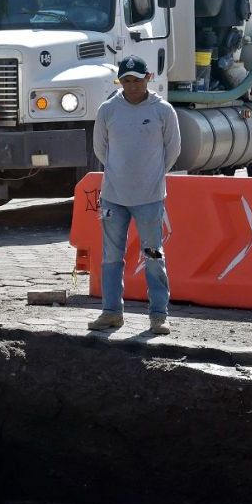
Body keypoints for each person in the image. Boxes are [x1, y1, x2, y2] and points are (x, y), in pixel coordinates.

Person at [88, 55, 181, 335]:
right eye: (126, 81)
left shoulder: (163, 111)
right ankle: (111, 312)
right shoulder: (108, 110)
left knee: (153, 255)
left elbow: (172, 150)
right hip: (113, 198)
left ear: (148, 78)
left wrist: (151, 176)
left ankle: (158, 314)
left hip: (150, 198)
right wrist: (120, 174)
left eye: (137, 80)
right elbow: (100, 150)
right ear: (121, 82)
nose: (132, 86)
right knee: (111, 256)